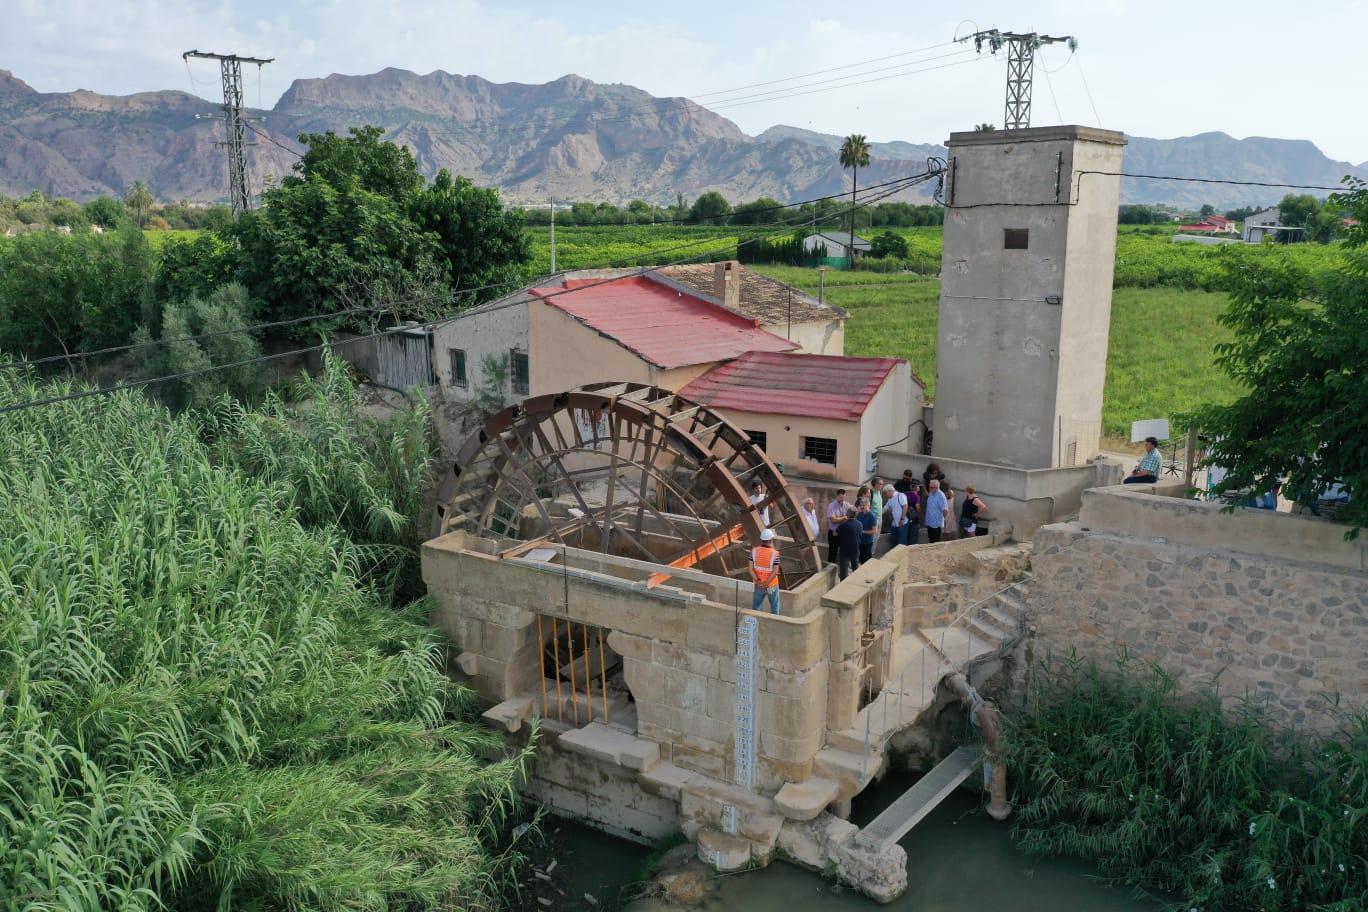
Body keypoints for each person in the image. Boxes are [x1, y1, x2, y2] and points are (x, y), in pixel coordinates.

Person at [749, 528, 781, 614]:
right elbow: (775, 572)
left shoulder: (753, 551)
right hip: (771, 585)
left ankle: (755, 624)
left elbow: (750, 569)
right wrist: (766, 583)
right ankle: (775, 623)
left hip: (758, 585)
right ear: (771, 540)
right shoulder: (775, 554)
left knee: (756, 607)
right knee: (774, 607)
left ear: (762, 539)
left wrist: (759, 581)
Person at [836, 507, 862, 581]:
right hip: (855, 550)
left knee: (844, 572)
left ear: (847, 514)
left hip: (845, 551)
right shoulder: (860, 524)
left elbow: (835, 533)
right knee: (855, 570)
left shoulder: (844, 525)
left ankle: (843, 587)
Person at [825, 490, 848, 563]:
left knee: (844, 551)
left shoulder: (847, 505)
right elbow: (833, 520)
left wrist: (839, 518)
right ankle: (830, 569)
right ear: (837, 496)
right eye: (841, 497)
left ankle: (842, 568)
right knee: (832, 552)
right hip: (833, 533)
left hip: (843, 533)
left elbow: (850, 518)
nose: (842, 499)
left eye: (844, 497)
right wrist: (844, 518)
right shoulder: (831, 505)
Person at [923, 478, 949, 543]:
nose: (930, 489)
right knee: (931, 539)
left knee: (936, 541)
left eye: (931, 487)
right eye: (929, 487)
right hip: (930, 522)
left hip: (936, 524)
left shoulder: (941, 496)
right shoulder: (931, 493)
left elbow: (945, 510)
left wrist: (942, 520)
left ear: (936, 487)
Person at [883, 484, 909, 548]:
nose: (886, 495)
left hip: (902, 523)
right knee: (893, 540)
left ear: (890, 491)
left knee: (902, 542)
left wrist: (902, 519)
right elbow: (885, 508)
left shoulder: (900, 495)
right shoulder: (890, 499)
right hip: (895, 524)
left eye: (886, 493)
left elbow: (905, 506)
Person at [856, 498, 878, 563]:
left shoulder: (872, 516)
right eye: (861, 505)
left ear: (868, 505)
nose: (862, 507)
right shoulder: (859, 514)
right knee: (861, 560)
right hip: (860, 541)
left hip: (868, 542)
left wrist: (863, 531)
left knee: (867, 560)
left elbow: (874, 531)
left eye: (863, 505)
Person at [905, 481, 923, 545]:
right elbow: (918, 508)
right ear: (916, 488)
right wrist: (920, 517)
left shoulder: (905, 494)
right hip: (914, 520)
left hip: (906, 519)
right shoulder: (916, 496)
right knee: (914, 538)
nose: (919, 487)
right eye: (918, 486)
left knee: (907, 537)